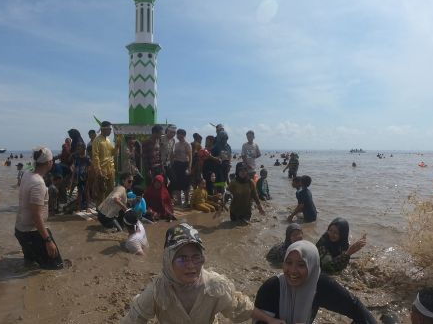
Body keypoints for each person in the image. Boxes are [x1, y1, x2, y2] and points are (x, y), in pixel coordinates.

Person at [121, 223, 254, 324]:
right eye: (182, 259)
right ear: (168, 261)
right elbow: (133, 319)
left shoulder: (214, 284)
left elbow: (240, 309)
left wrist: (269, 318)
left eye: (196, 257)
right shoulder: (157, 291)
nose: (190, 266)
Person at [14, 146, 64, 270]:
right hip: (31, 233)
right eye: (52, 160)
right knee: (57, 267)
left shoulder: (27, 174)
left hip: (20, 229)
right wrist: (47, 240)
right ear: (49, 163)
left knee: (31, 264)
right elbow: (36, 216)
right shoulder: (38, 183)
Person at [252, 241, 320, 324]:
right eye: (289, 262)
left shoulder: (320, 286)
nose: (293, 270)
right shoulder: (272, 287)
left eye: (301, 265)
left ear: (313, 267)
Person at [170, 128, 192, 207]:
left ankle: (187, 201)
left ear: (183, 135)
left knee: (186, 184)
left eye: (179, 134)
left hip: (184, 164)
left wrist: (189, 167)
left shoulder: (187, 144)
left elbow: (190, 156)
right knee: (177, 184)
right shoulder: (176, 144)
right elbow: (173, 155)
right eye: (177, 134)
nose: (177, 135)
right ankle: (179, 201)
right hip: (177, 165)